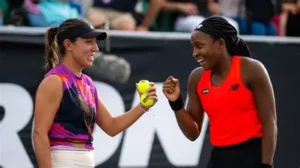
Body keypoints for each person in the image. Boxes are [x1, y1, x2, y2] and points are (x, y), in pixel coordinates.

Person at [32, 18, 158, 168]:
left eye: (95, 42)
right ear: (68, 45)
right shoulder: (55, 81)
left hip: (87, 160)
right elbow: (39, 134)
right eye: (88, 42)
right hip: (62, 160)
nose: (96, 48)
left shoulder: (88, 83)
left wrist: (143, 106)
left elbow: (112, 126)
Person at [162, 16, 277, 168]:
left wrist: (266, 165)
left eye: (199, 46)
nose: (195, 53)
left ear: (220, 43)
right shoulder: (196, 78)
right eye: (193, 47)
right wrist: (176, 103)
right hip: (219, 157)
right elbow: (192, 133)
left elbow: (270, 123)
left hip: (253, 156)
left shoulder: (252, 69)